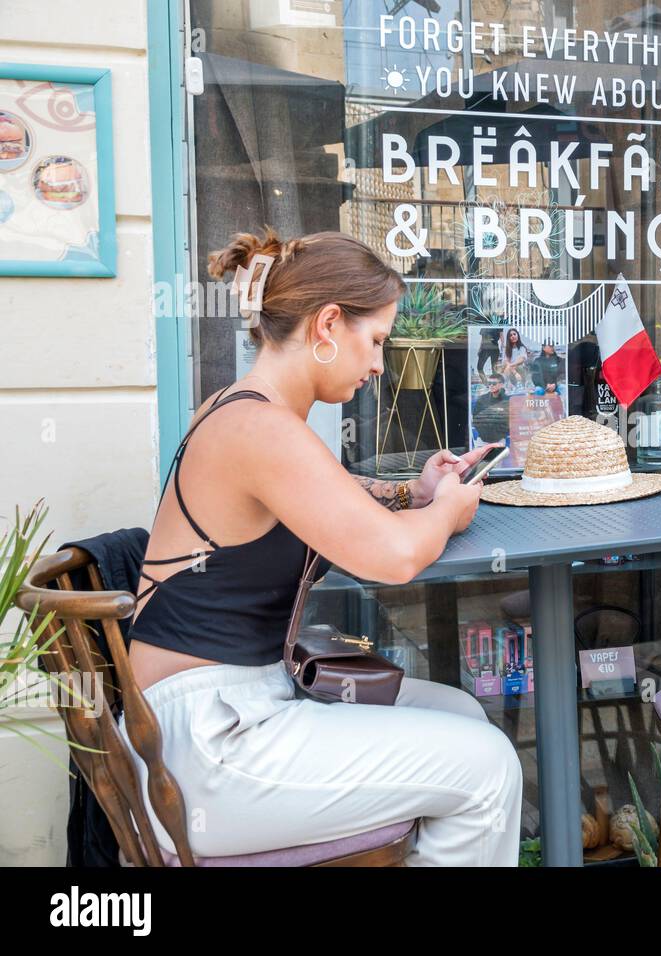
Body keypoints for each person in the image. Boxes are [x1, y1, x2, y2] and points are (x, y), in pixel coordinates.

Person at [118, 226, 521, 867]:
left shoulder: (243, 409)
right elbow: (395, 558)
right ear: (329, 323)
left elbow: (330, 495)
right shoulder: (259, 427)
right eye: (377, 340)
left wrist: (413, 493)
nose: (379, 365)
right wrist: (446, 510)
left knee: (462, 712)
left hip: (228, 712)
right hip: (208, 749)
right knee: (489, 768)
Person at [473, 373, 511, 445]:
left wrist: (500, 435)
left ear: (501, 384)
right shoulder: (482, 399)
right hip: (482, 440)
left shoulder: (507, 400)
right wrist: (484, 434)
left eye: (494, 383)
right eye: (489, 383)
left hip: (499, 440)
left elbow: (510, 421)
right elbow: (475, 419)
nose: (491, 385)